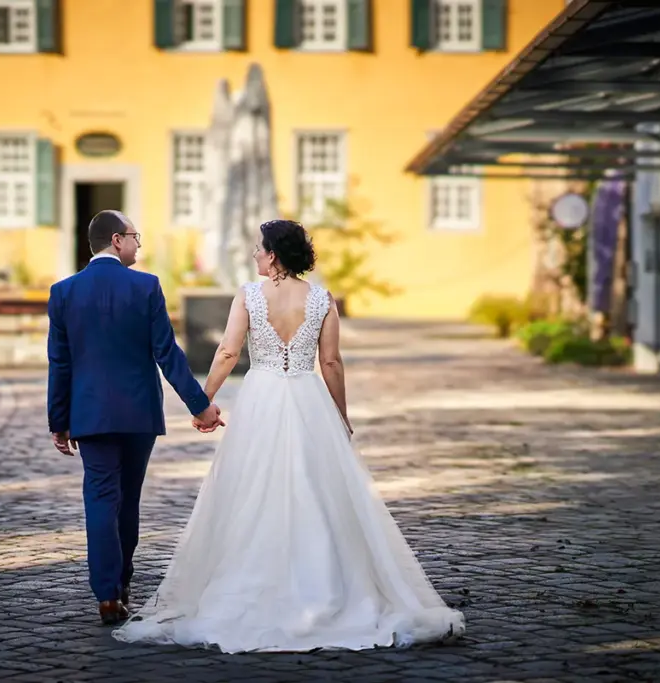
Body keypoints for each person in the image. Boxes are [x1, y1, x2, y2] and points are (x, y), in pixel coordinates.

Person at [112, 219, 465, 653]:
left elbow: (228, 351)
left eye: (259, 249)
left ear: (274, 255)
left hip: (261, 399)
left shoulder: (248, 295)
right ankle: (327, 585)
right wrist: (341, 415)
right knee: (317, 490)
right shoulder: (321, 299)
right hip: (308, 399)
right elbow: (331, 362)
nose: (255, 255)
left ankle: (253, 582)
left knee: (252, 491)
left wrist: (203, 401)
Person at [47, 209, 225, 626]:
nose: (138, 244)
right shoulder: (146, 286)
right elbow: (167, 353)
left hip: (90, 413)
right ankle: (122, 583)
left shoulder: (64, 292)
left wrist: (59, 420)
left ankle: (108, 595)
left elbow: (60, 362)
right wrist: (200, 405)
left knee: (100, 498)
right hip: (138, 413)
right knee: (128, 499)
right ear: (116, 240)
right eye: (134, 237)